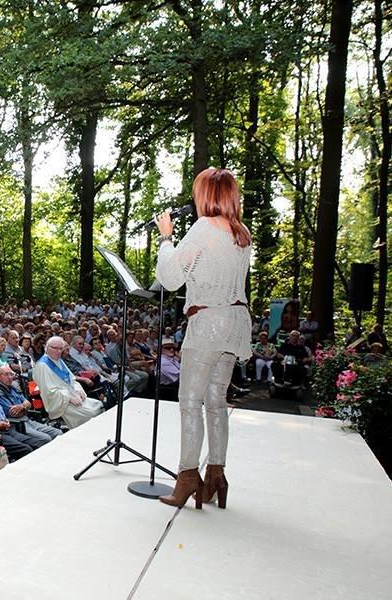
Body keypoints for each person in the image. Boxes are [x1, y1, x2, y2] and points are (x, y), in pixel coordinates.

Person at [154, 167, 252, 509]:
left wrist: (166, 238)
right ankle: (217, 476)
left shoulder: (203, 229)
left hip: (209, 322)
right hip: (235, 324)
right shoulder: (241, 234)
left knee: (190, 401)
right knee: (216, 401)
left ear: (205, 195)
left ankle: (187, 477)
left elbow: (170, 278)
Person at [33, 336, 105, 429]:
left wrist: (79, 390)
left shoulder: (59, 360)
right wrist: (69, 397)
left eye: (60, 348)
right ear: (47, 348)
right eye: (55, 348)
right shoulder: (42, 366)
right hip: (60, 402)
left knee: (98, 405)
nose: (58, 351)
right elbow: (48, 391)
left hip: (73, 395)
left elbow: (72, 380)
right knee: (90, 414)